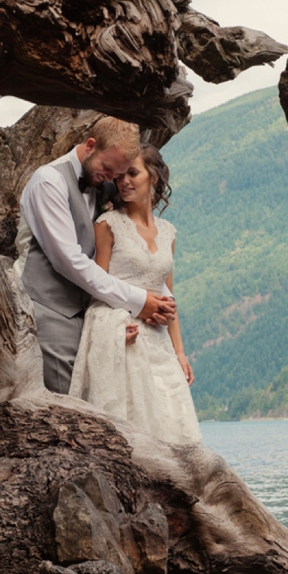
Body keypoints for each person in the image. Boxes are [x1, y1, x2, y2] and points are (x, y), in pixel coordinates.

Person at [15, 117, 176, 394]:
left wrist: (156, 302)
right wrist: (138, 301)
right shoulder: (49, 181)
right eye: (109, 169)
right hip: (49, 312)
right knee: (66, 407)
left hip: (94, 319)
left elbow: (133, 250)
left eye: (120, 174)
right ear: (90, 145)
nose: (114, 180)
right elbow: (70, 262)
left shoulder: (106, 184)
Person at [69, 145, 202, 445]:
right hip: (127, 341)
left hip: (161, 347)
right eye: (120, 176)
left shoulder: (168, 232)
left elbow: (168, 297)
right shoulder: (107, 225)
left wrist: (180, 353)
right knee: (138, 438)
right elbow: (96, 288)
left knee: (175, 431)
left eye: (133, 173)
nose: (124, 182)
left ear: (153, 177)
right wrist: (115, 330)